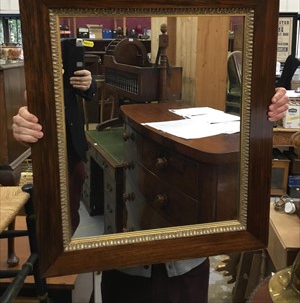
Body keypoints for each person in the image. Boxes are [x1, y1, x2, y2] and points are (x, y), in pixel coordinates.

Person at [12, 87, 288, 302]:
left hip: (186, 269)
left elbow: (247, 152)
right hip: (123, 269)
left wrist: (267, 113)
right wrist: (36, 134)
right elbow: (62, 165)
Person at [13, 68, 96, 233]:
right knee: (48, 216)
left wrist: (89, 84)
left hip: (73, 145)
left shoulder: (66, 54)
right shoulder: (35, 61)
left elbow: (88, 91)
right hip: (46, 148)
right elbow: (21, 99)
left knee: (72, 209)